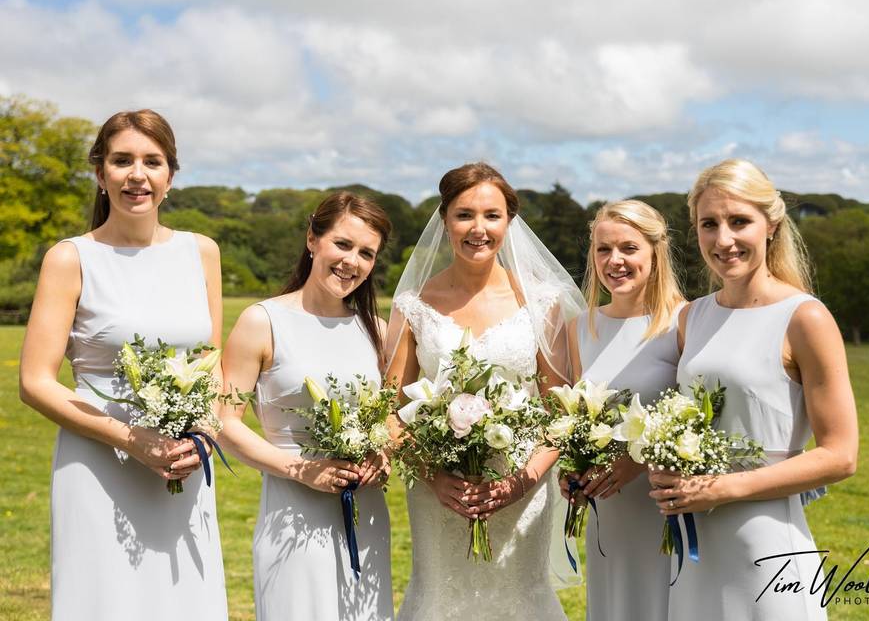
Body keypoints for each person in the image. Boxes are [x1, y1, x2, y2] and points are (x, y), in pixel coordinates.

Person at [19, 109, 227, 620]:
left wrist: (203, 432)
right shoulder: (70, 258)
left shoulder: (202, 252)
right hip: (97, 464)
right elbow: (34, 381)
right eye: (122, 160)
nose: (138, 174)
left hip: (183, 465)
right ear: (100, 172)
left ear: (171, 176)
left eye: (152, 161)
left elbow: (209, 360)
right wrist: (131, 439)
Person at [649, 158, 858, 620]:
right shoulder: (691, 318)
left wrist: (722, 488)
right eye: (709, 224)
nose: (724, 239)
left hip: (766, 547)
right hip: (694, 548)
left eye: (739, 221)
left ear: (771, 225)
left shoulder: (806, 318)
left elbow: (841, 455)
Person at [385, 162, 585, 620]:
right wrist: (435, 478)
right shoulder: (413, 306)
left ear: (509, 222)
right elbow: (392, 412)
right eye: (464, 215)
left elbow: (561, 410)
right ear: (444, 221)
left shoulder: (543, 302)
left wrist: (525, 480)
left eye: (492, 215)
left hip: (522, 486)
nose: (479, 228)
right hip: (440, 493)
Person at [220, 192, 393, 621]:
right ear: (312, 239)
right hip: (292, 514)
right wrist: (300, 469)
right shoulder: (262, 321)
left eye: (366, 253)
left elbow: (393, 418)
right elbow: (223, 422)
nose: (352, 261)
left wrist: (384, 455)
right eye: (343, 244)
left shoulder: (377, 329)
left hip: (366, 516)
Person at [560, 200, 684, 621]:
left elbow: (699, 418)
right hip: (606, 511)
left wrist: (638, 461)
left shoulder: (683, 322)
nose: (615, 261)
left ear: (655, 252)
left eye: (629, 248)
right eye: (603, 249)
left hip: (664, 504)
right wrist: (574, 469)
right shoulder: (581, 327)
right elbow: (579, 416)